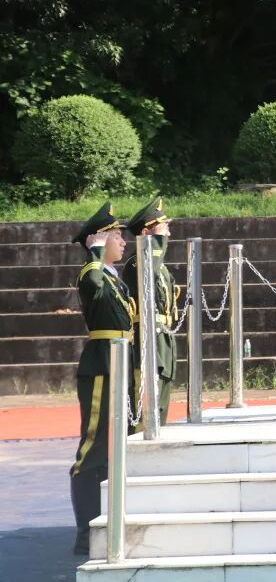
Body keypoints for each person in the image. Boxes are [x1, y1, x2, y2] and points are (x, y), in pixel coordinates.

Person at [69, 202, 136, 554]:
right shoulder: (91, 273)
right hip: (101, 365)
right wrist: (94, 253)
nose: (123, 242)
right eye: (115, 236)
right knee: (93, 448)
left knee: (115, 447)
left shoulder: (113, 277)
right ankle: (85, 532)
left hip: (120, 361)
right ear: (98, 240)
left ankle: (106, 519)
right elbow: (93, 285)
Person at [122, 196, 180, 425]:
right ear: (146, 233)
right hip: (146, 336)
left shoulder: (158, 263)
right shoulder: (136, 261)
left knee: (161, 397)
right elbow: (149, 270)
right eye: (163, 229)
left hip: (162, 334)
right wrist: (155, 242)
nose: (168, 235)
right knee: (146, 400)